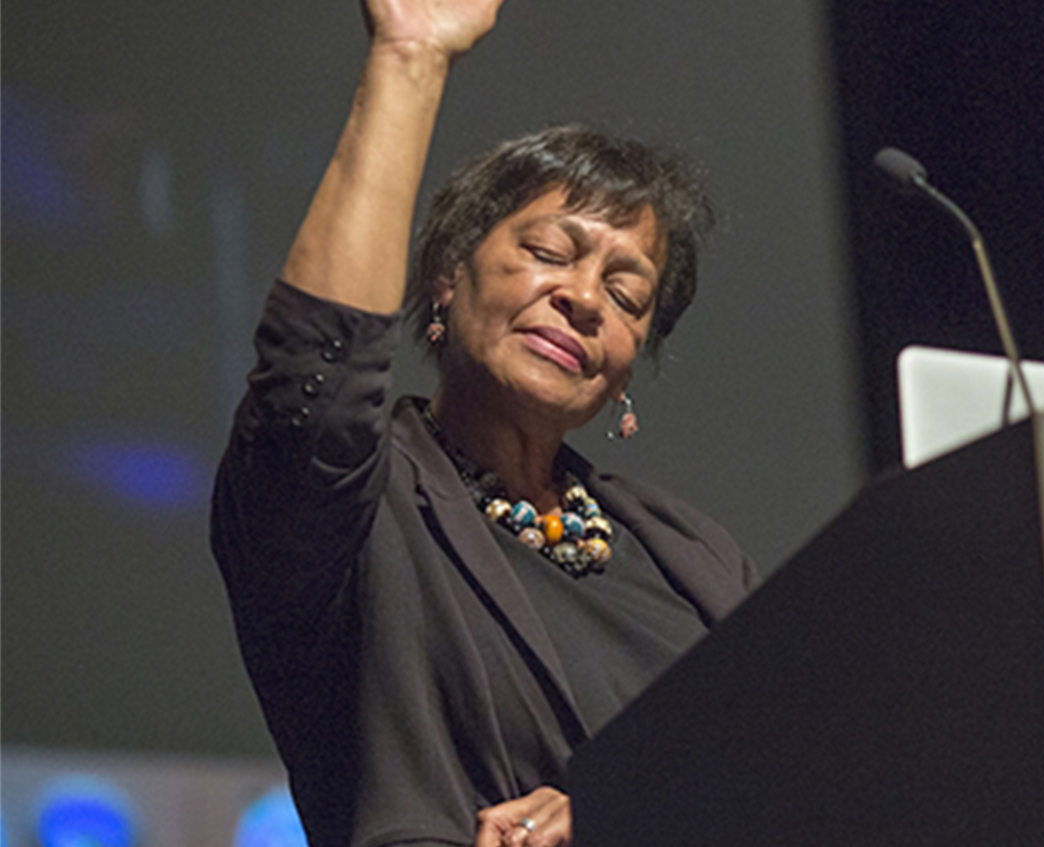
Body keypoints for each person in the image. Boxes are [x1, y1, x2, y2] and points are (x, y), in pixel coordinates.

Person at [210, 2, 755, 846]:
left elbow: (794, 773)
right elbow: (307, 381)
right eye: (547, 252)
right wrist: (409, 59)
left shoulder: (692, 553)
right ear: (445, 278)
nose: (582, 297)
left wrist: (617, 813)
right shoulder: (364, 510)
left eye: (625, 295)